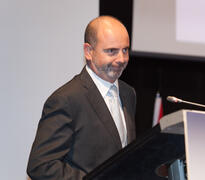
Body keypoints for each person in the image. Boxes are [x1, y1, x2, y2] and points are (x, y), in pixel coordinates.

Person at [27, 16, 136, 180]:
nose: (121, 59)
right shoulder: (66, 99)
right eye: (111, 51)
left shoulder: (128, 93)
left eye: (125, 50)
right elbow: (41, 166)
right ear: (88, 51)